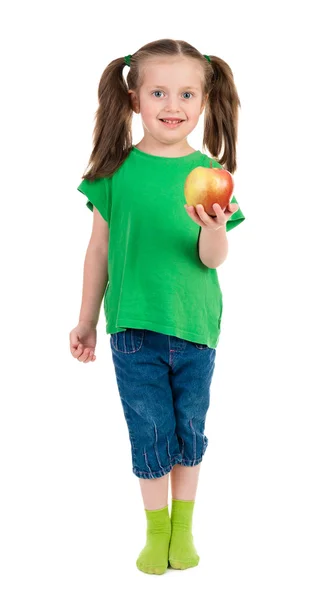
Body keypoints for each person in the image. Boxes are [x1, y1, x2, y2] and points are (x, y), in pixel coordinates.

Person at [69, 38, 245, 575]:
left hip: (195, 327)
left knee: (189, 429)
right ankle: (155, 531)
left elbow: (211, 258)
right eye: (159, 92)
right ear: (133, 98)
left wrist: (213, 230)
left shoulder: (210, 174)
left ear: (205, 100)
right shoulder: (113, 171)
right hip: (132, 329)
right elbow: (98, 250)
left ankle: (184, 531)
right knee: (149, 432)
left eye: (187, 93)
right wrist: (86, 320)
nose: (173, 106)